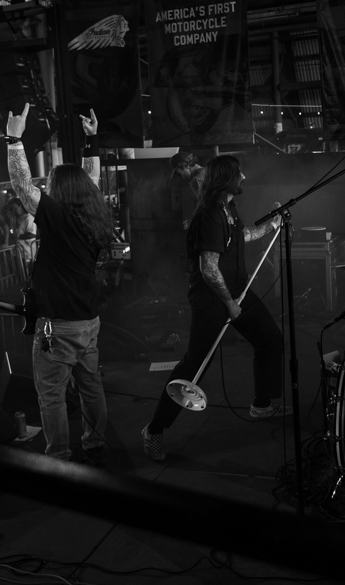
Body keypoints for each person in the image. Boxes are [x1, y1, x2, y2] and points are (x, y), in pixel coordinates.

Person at [141, 155, 286, 462]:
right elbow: (209, 269)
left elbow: (241, 237)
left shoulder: (228, 208)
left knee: (270, 339)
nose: (245, 177)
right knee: (193, 367)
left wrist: (273, 224)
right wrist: (230, 304)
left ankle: (262, 403)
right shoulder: (210, 214)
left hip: (237, 292)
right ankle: (154, 430)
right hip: (214, 300)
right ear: (226, 179)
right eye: (239, 173)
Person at [6, 105, 112, 465]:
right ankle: (95, 443)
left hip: (57, 324)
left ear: (59, 191)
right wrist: (92, 143)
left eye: (50, 184)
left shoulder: (57, 215)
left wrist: (13, 139)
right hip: (89, 320)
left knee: (51, 394)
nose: (46, 188)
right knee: (91, 385)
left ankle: (60, 455)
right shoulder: (92, 214)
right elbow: (92, 181)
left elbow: (21, 184)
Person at [170, 151, 205, 229]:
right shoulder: (207, 172)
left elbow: (206, 209)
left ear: (186, 165)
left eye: (179, 173)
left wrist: (192, 221)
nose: (181, 178)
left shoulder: (196, 181)